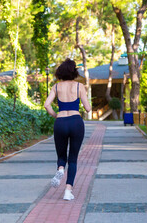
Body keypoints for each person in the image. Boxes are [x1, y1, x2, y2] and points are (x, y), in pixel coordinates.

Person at [44, 58, 91, 201]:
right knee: (73, 159)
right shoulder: (79, 86)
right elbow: (88, 108)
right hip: (76, 122)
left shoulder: (56, 87)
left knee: (61, 156)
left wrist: (55, 115)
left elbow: (47, 105)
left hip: (61, 122)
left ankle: (60, 169)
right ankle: (67, 191)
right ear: (74, 72)